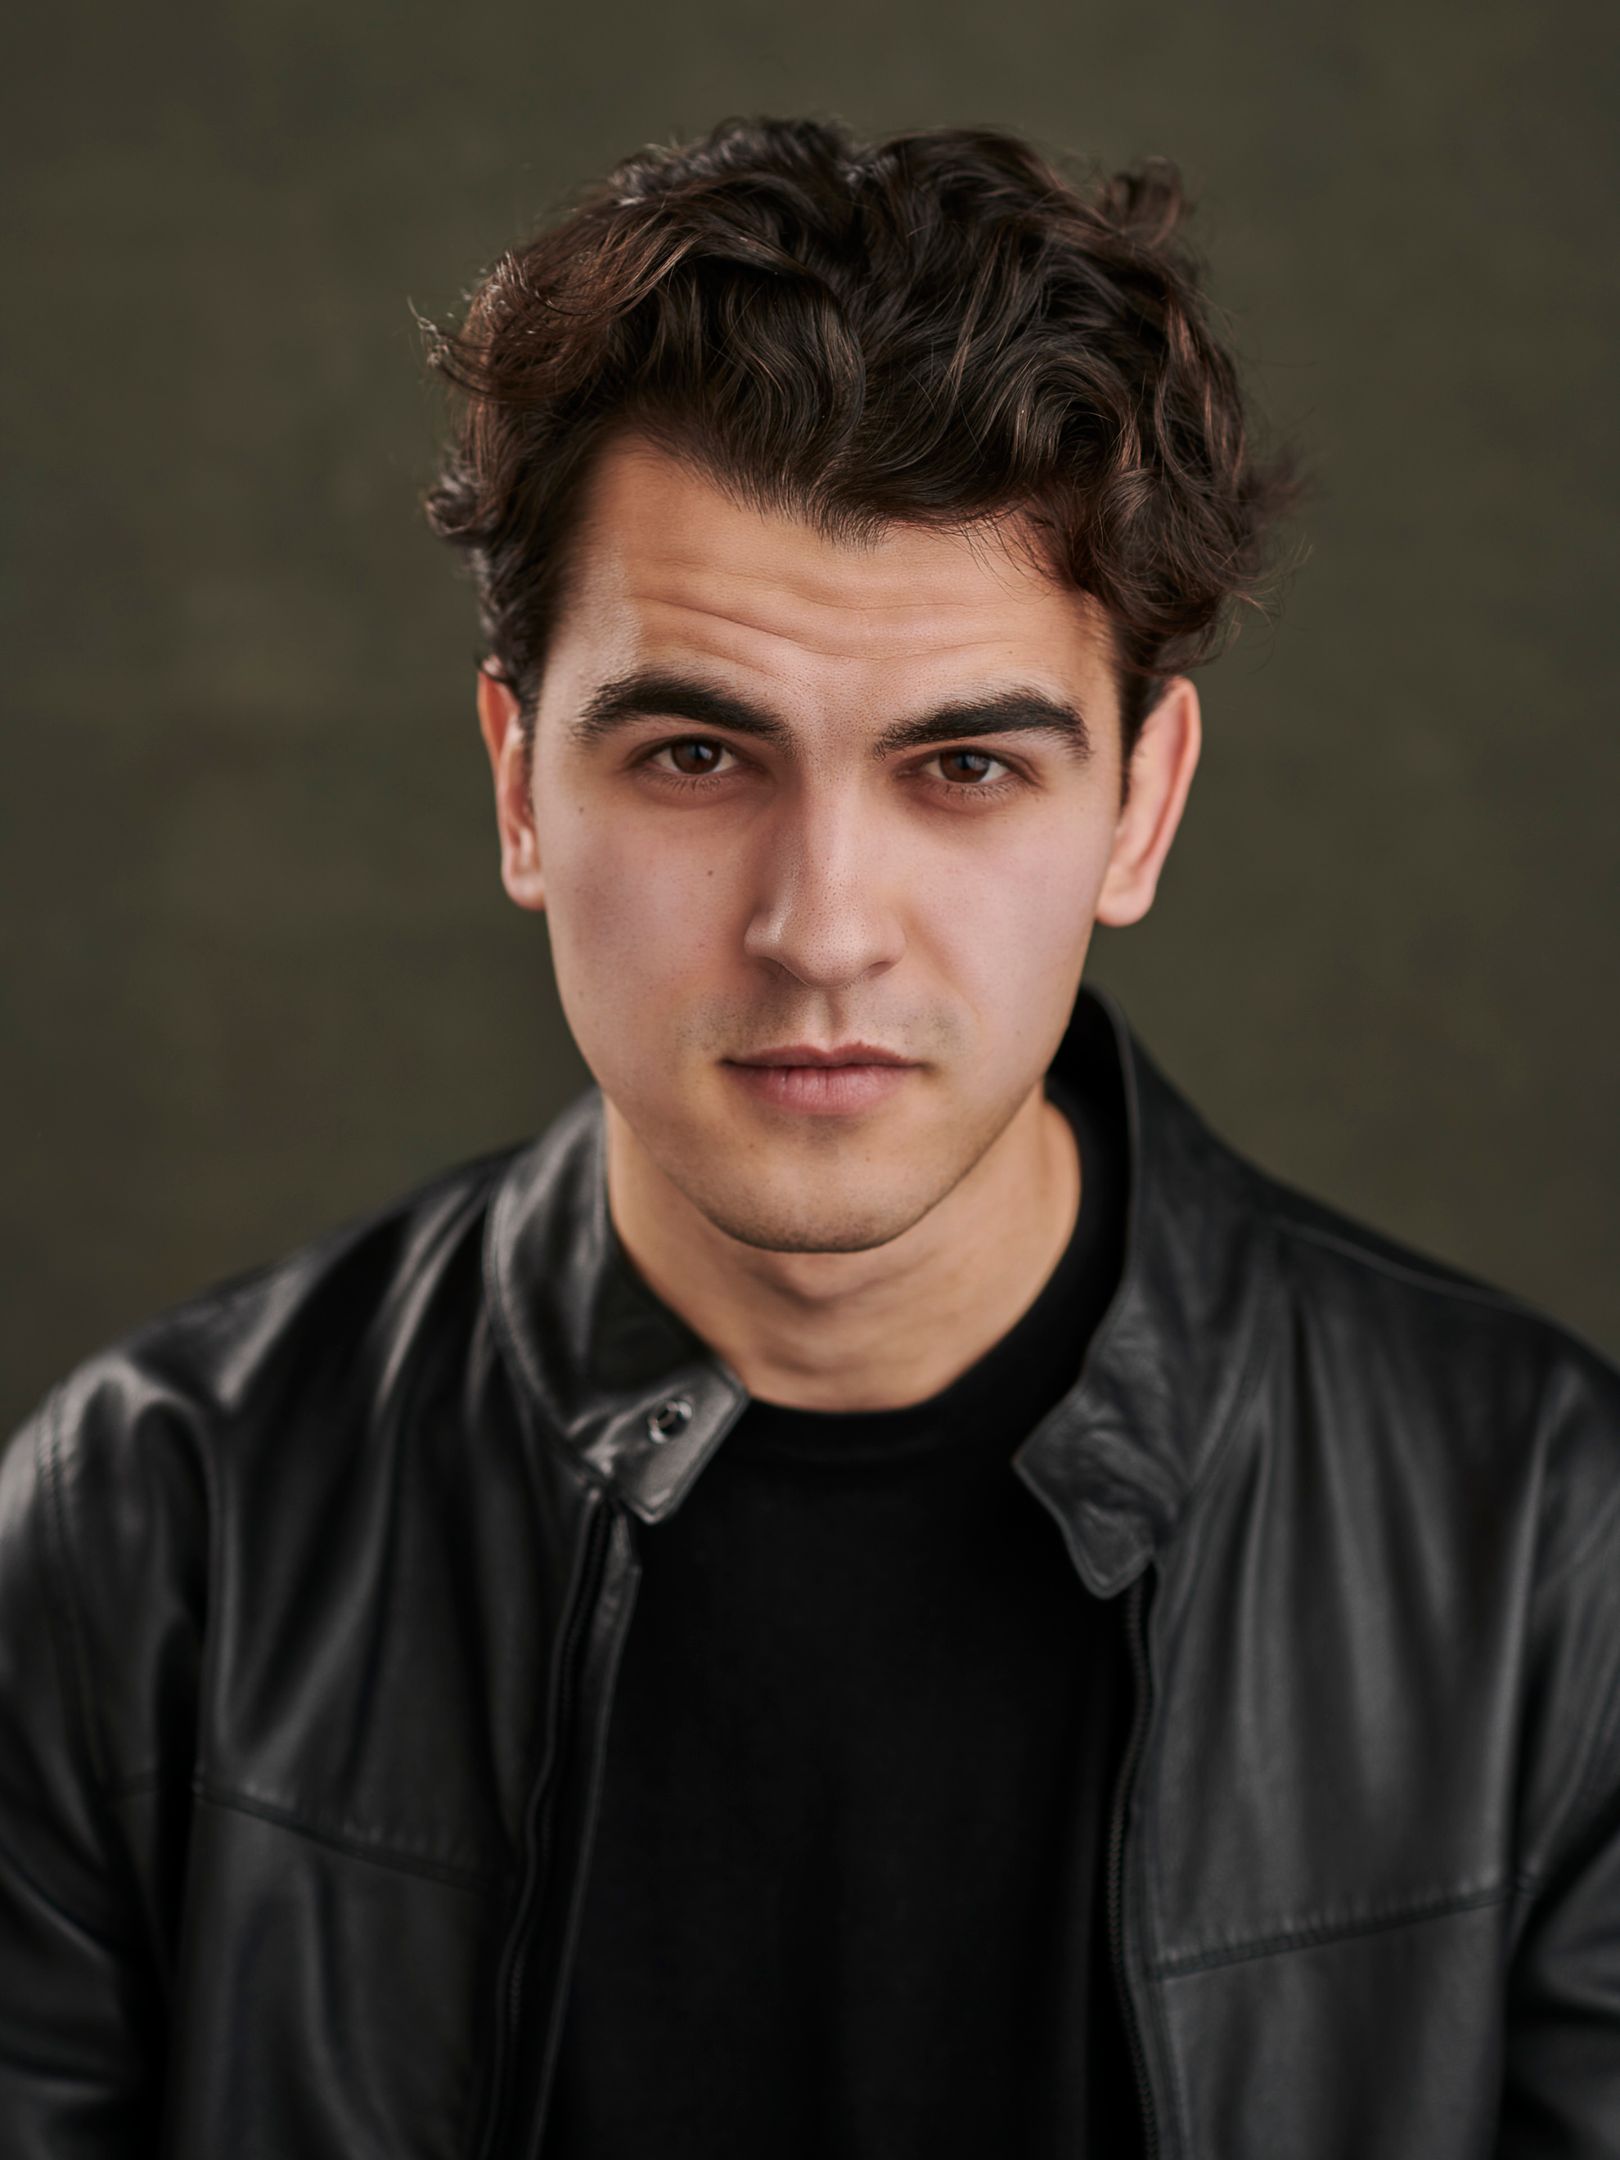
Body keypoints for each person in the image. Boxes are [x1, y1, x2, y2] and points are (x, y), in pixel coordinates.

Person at [2, 113, 1616, 2160]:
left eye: (965, 768)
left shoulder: (1548, 1551)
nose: (821, 925)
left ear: (1139, 809)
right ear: (517, 787)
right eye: (697, 753)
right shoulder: (156, 1537)